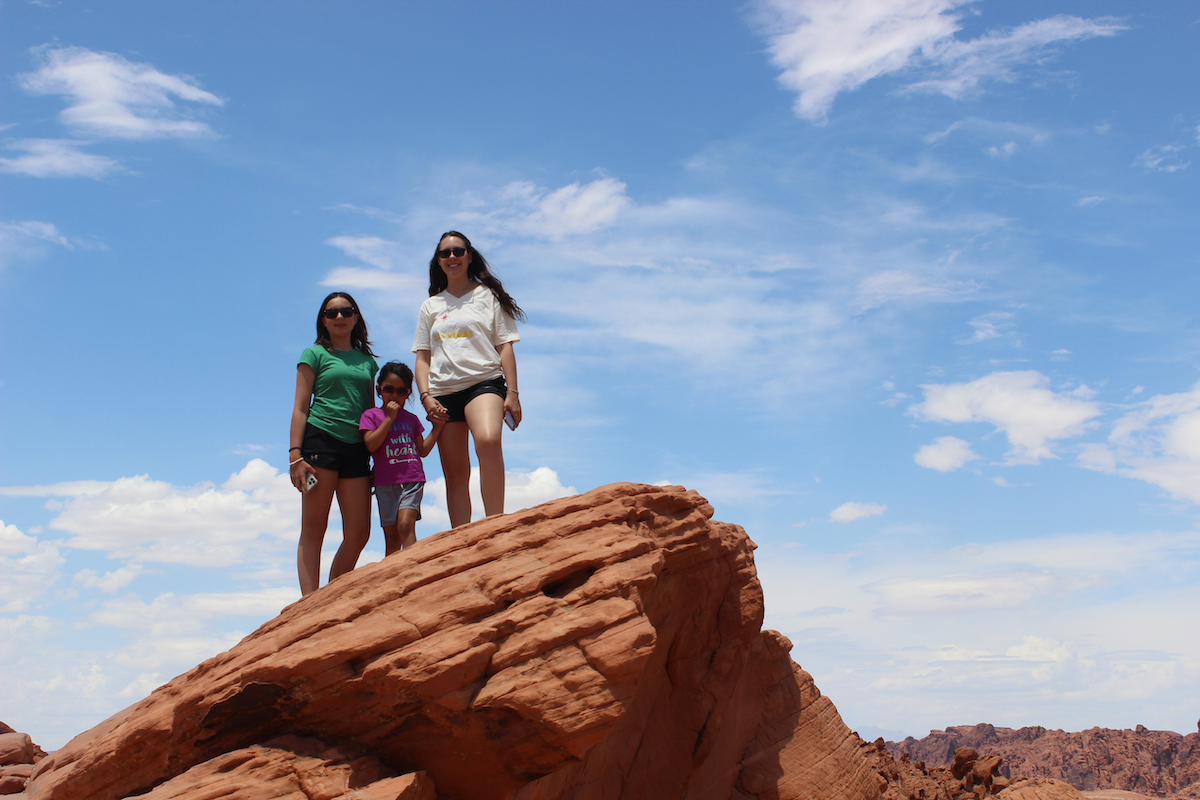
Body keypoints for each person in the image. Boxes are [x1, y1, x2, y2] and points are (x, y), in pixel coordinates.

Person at [413, 231, 525, 528]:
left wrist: (512, 392)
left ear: (469, 255)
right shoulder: (431, 306)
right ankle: (463, 538)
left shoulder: (488, 296)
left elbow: (505, 346)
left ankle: (495, 526)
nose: (452, 258)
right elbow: (422, 357)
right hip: (443, 392)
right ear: (437, 261)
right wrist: (426, 396)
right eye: (445, 253)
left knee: (488, 441)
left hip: (484, 382)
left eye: (458, 251)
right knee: (455, 472)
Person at [289, 291, 378, 595]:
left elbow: (370, 411)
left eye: (346, 311)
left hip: (357, 449)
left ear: (356, 317)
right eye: (331, 313)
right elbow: (301, 407)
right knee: (314, 527)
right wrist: (295, 456)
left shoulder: (367, 362)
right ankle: (308, 604)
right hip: (320, 443)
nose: (339, 317)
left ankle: (330, 597)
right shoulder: (313, 355)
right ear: (323, 321)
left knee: (359, 532)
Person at [359, 361, 445, 554]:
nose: (395, 395)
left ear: (408, 393)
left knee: (405, 525)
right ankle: (392, 578)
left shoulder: (411, 419)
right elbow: (371, 444)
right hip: (385, 483)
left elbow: (422, 449)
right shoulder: (370, 416)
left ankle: (412, 570)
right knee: (391, 538)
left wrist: (437, 428)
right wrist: (389, 418)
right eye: (389, 389)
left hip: (412, 480)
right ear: (379, 389)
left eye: (402, 391)